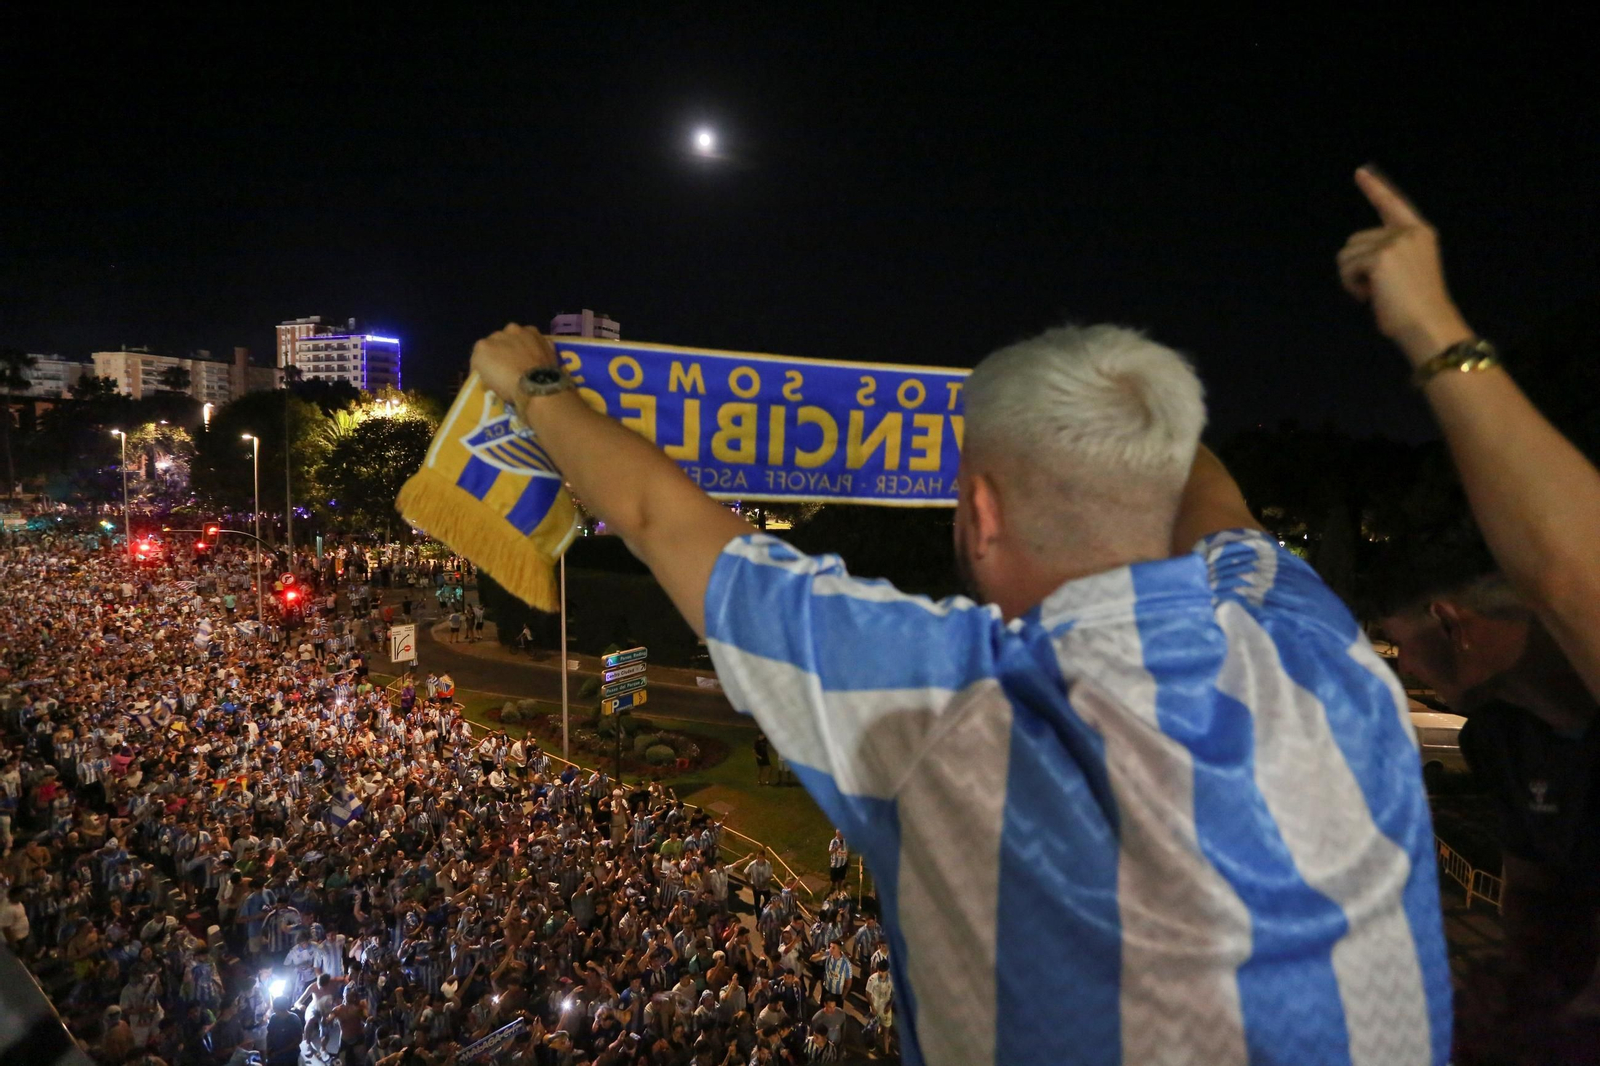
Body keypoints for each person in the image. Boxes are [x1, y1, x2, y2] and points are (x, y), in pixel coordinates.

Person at [472, 314, 1452, 1065]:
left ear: (978, 512)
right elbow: (1215, 496)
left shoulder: (946, 700)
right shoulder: (1311, 634)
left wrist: (534, 381)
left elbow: (652, 512)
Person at [1344, 168, 1600, 1060]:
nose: (1401, 666)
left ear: (1455, 619)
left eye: (1400, 641)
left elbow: (1572, 574)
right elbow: (1537, 901)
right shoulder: (1504, 739)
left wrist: (1429, 327)